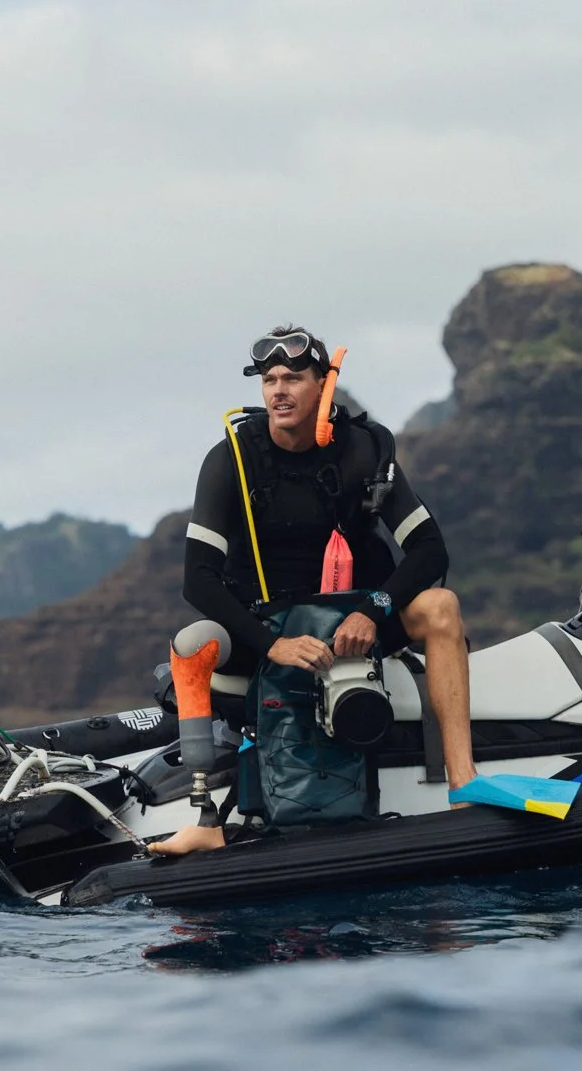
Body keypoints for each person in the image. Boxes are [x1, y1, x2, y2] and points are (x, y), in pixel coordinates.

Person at [149, 325, 477, 855]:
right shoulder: (231, 457)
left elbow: (430, 550)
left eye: (293, 378)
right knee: (191, 644)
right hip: (267, 625)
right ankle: (206, 819)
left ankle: (465, 786)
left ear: (323, 385)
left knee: (441, 606)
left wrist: (375, 609)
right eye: (269, 379)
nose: (278, 390)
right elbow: (198, 579)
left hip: (354, 623)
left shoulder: (365, 450)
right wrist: (270, 643)